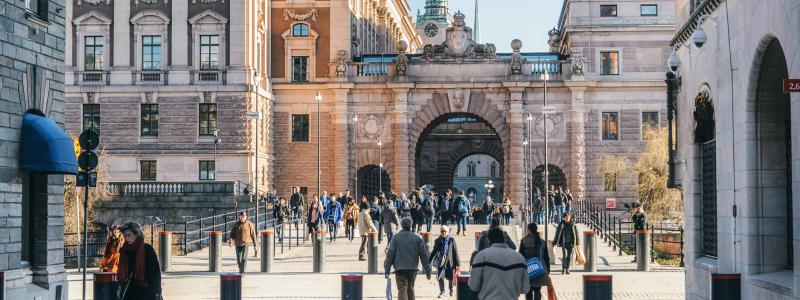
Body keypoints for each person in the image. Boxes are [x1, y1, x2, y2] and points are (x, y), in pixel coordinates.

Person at [468, 227, 529, 300]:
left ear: (488, 240)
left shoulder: (481, 256)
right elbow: (525, 288)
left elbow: (473, 286)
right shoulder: (520, 258)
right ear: (504, 239)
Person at [384, 217, 432, 300]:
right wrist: (428, 270)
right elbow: (424, 255)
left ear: (402, 225)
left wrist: (387, 270)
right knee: (410, 289)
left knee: (402, 289)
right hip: (412, 268)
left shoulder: (396, 237)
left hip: (399, 268)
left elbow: (390, 255)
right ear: (410, 225)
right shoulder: (417, 238)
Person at [117, 222, 161, 300]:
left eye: (129, 235)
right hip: (129, 291)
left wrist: (157, 291)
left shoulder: (147, 249)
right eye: (125, 236)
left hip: (146, 291)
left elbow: (155, 273)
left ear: (136, 234)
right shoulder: (124, 250)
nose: (127, 238)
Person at [520, 223, 551, 300]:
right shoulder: (542, 242)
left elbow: (520, 256)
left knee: (528, 291)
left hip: (528, 269)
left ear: (529, 230)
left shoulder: (524, 241)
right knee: (537, 291)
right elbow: (546, 258)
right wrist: (547, 270)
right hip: (539, 268)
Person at [429, 225, 460, 298]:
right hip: (441, 262)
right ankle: (442, 292)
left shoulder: (451, 240)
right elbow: (434, 251)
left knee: (450, 278)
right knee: (440, 278)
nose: (443, 233)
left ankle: (451, 289)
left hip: (450, 262)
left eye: (445, 231)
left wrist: (458, 263)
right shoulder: (437, 241)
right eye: (442, 231)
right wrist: (429, 260)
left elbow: (455, 252)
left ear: (448, 232)